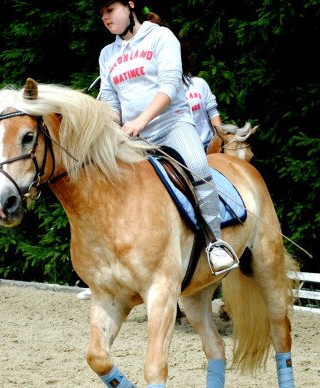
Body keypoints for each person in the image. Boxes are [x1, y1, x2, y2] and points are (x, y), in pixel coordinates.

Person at [95, 1, 237, 272]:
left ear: (130, 6)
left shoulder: (161, 36)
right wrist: (111, 127)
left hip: (172, 125)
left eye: (110, 10)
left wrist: (141, 120)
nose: (105, 18)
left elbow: (171, 85)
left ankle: (216, 243)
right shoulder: (107, 54)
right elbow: (111, 99)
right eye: (101, 14)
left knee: (197, 166)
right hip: (131, 136)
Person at [186, 76, 222, 151]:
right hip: (185, 150)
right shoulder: (163, 90)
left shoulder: (199, 83)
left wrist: (220, 138)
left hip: (208, 145)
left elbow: (213, 113)